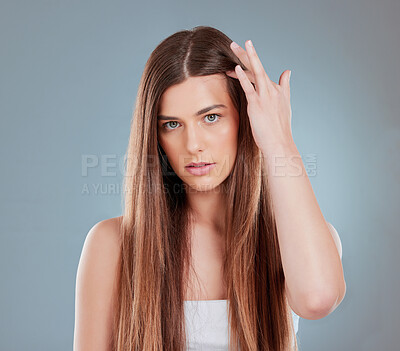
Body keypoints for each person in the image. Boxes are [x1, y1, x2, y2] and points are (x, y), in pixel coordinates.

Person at [73, 25, 345, 351]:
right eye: (172, 124)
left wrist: (279, 140)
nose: (193, 144)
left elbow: (317, 300)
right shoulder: (113, 245)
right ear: (155, 136)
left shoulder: (298, 240)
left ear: (245, 117)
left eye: (211, 117)